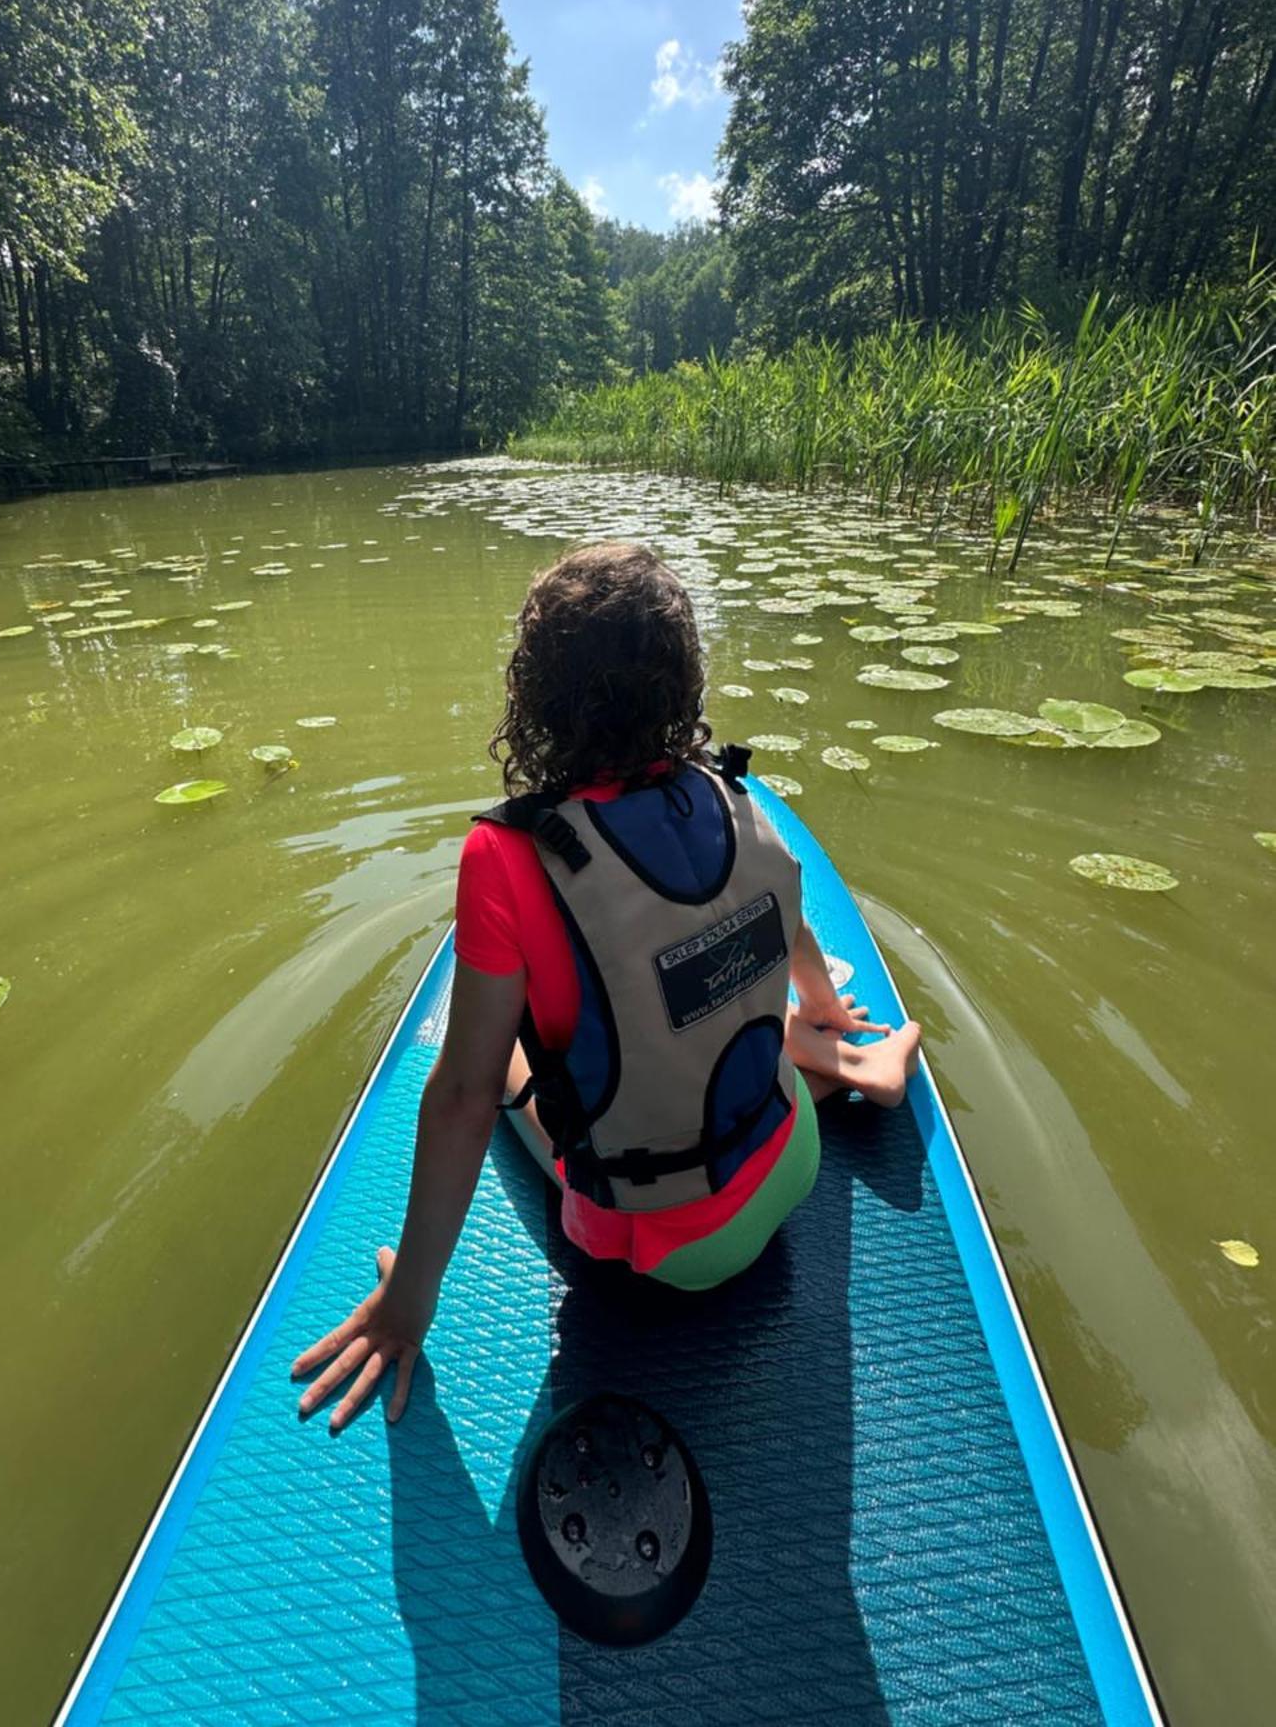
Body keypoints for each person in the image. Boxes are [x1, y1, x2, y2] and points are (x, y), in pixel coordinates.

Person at [292, 542, 921, 1433]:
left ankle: (839, 1066)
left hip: (671, 1251)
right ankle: (857, 1068)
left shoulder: (505, 860)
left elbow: (465, 1100)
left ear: (536, 693)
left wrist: (408, 1307)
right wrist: (821, 1008)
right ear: (683, 681)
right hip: (795, 1165)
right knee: (714, 991)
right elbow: (792, 921)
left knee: (502, 1054)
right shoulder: (735, 796)